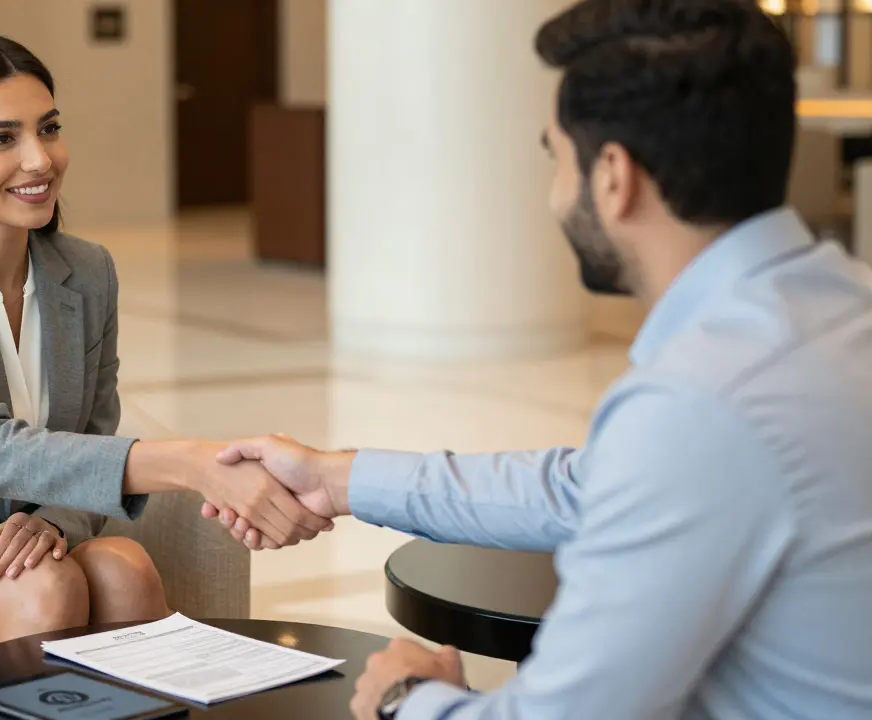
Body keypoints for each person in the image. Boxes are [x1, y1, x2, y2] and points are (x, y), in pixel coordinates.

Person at [204, 1, 872, 717]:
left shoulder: (703, 403)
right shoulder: (843, 307)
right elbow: (585, 488)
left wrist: (404, 694)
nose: (555, 193)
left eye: (556, 157)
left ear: (614, 178)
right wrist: (340, 479)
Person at [0, 34, 330, 682]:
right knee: (46, 589)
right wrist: (194, 464)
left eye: (48, 128)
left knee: (124, 570)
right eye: (1, 139)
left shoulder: (86, 272)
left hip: (19, 563)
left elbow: (91, 429)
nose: (39, 159)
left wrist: (54, 520)